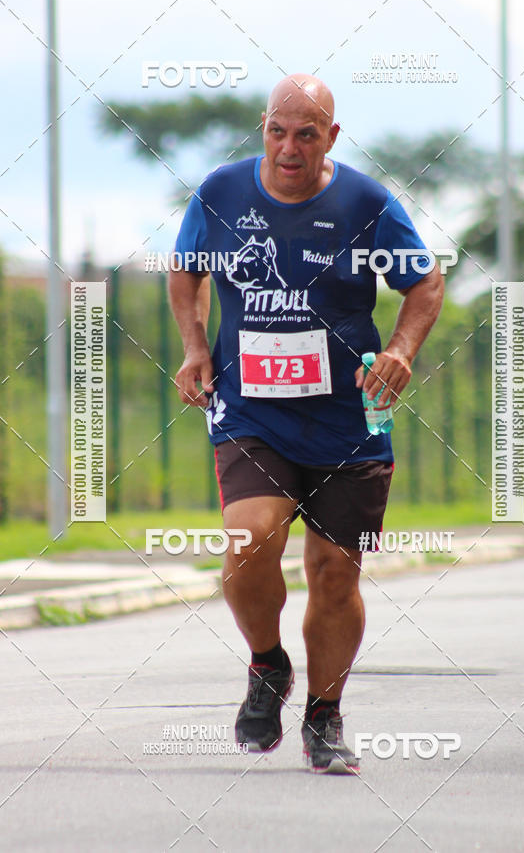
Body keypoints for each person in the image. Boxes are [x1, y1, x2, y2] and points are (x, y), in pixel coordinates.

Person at [169, 73, 444, 774]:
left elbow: (424, 281)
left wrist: (401, 349)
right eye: (278, 131)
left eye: (307, 134)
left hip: (350, 414)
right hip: (250, 407)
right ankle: (267, 664)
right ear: (264, 127)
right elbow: (185, 272)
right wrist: (196, 348)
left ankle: (325, 713)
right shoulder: (222, 193)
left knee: (333, 571)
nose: (289, 148)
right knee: (250, 537)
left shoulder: (366, 202)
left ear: (332, 138)